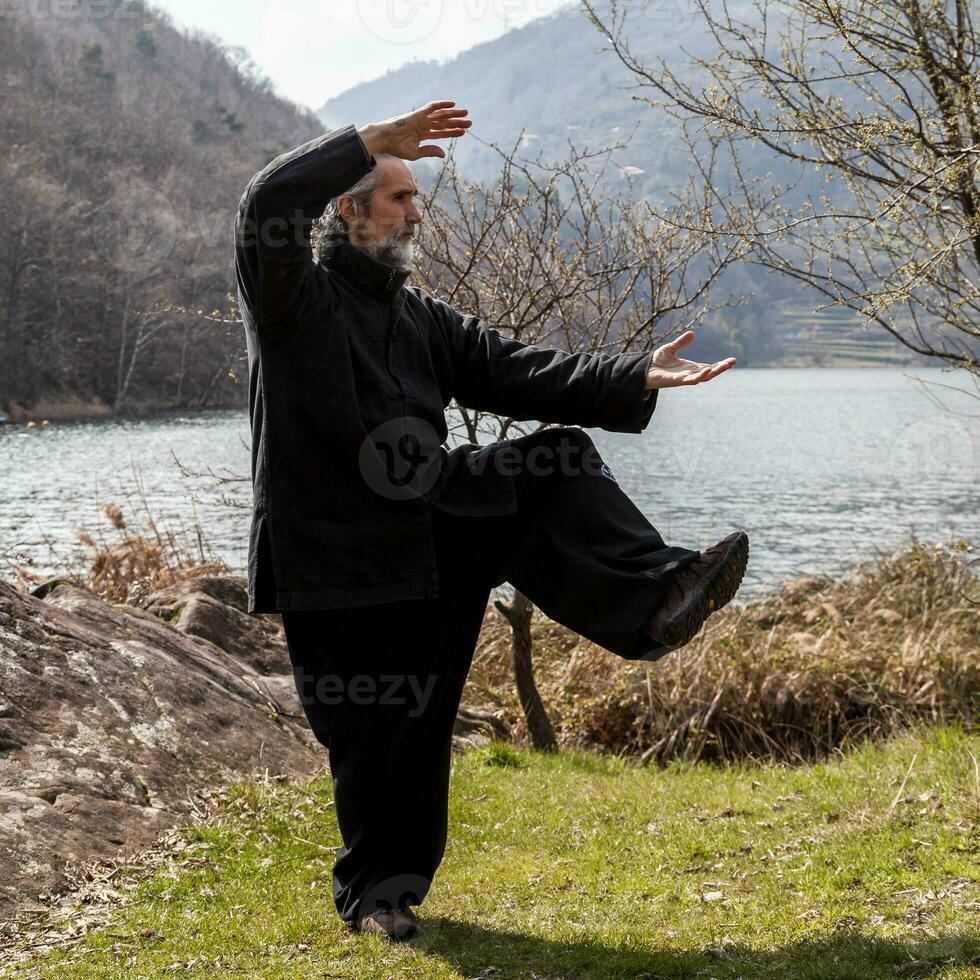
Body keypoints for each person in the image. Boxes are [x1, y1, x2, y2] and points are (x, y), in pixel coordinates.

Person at [234, 100, 748, 941]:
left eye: (414, 196)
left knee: (554, 463)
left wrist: (635, 375)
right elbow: (264, 208)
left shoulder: (418, 315)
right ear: (348, 208)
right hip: (333, 555)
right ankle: (375, 897)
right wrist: (367, 142)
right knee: (374, 729)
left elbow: (516, 369)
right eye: (398, 195)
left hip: (427, 533)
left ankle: (657, 597)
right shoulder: (292, 298)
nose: (416, 209)